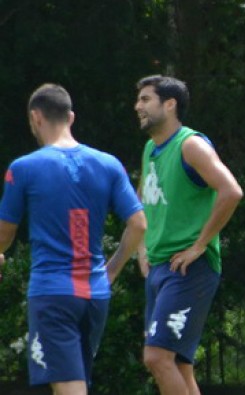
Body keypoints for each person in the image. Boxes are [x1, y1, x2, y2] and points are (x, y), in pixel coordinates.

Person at [0, 84, 146, 395]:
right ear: (71, 117)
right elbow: (138, 224)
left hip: (53, 293)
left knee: (69, 388)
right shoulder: (108, 164)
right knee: (74, 380)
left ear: (36, 117)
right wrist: (113, 270)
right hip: (95, 295)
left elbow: (5, 233)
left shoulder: (23, 168)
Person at [134, 75, 242, 395]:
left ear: (170, 104)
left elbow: (231, 191)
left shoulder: (190, 145)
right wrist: (142, 247)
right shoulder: (151, 148)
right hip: (160, 268)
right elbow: (140, 200)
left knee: (156, 357)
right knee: (179, 365)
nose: (137, 106)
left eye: (145, 99)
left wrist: (199, 246)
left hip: (188, 268)